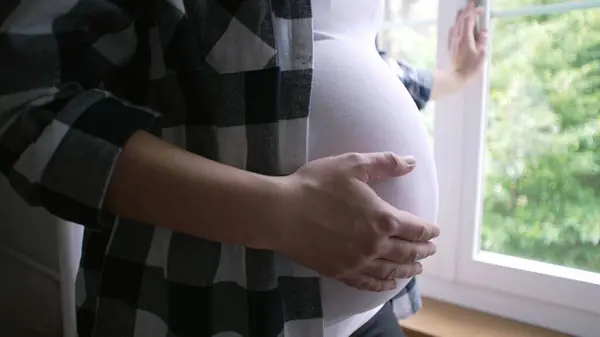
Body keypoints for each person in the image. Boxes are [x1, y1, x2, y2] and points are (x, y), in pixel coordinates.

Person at [0, 1, 486, 337]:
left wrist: (456, 77)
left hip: (367, 317)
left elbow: (335, 51)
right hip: (200, 310)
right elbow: (20, 102)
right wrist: (284, 214)